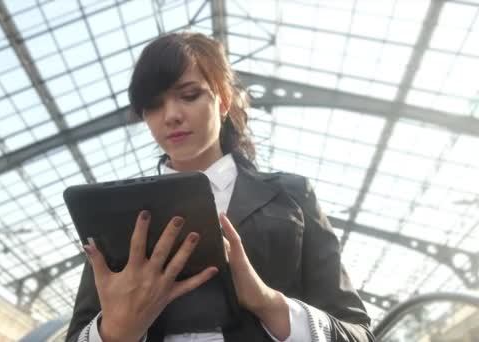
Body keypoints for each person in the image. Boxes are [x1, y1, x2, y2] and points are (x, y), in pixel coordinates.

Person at [65, 32, 374, 342]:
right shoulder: (120, 215)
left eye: (189, 95)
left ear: (223, 99)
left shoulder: (291, 197)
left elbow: (358, 333)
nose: (171, 116)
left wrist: (268, 303)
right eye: (154, 105)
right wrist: (116, 332)